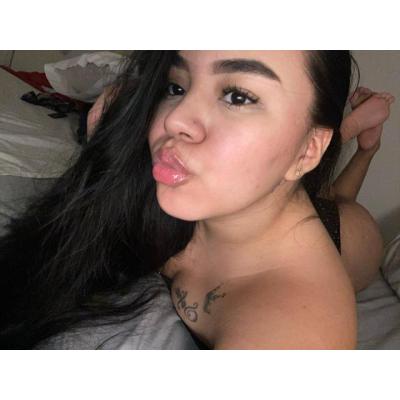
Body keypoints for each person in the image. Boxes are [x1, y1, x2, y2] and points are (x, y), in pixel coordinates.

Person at [0, 51, 391, 349]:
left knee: (334, 201)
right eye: (177, 87)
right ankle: (361, 141)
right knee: (299, 183)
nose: (174, 120)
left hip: (352, 238)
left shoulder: (297, 326)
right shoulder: (204, 183)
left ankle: (361, 139)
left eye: (238, 96)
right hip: (285, 196)